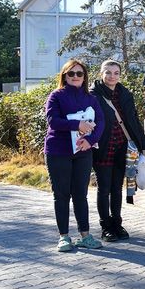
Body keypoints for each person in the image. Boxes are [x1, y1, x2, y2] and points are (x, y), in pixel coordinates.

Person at [44, 59, 105, 252]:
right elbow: (53, 121)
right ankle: (64, 237)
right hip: (58, 151)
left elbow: (101, 121)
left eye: (79, 74)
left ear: (85, 77)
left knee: (81, 194)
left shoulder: (91, 98)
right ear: (64, 76)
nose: (76, 77)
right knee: (61, 194)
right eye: (71, 74)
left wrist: (90, 140)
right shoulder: (56, 96)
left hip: (83, 152)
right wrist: (76, 125)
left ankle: (85, 235)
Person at [91, 59, 145, 242]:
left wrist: (143, 144)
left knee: (117, 188)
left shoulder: (125, 94)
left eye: (116, 73)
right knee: (104, 188)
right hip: (103, 147)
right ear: (101, 73)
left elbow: (133, 120)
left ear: (120, 75)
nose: (112, 76)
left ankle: (117, 223)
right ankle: (105, 226)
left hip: (123, 147)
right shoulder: (93, 95)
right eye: (108, 72)